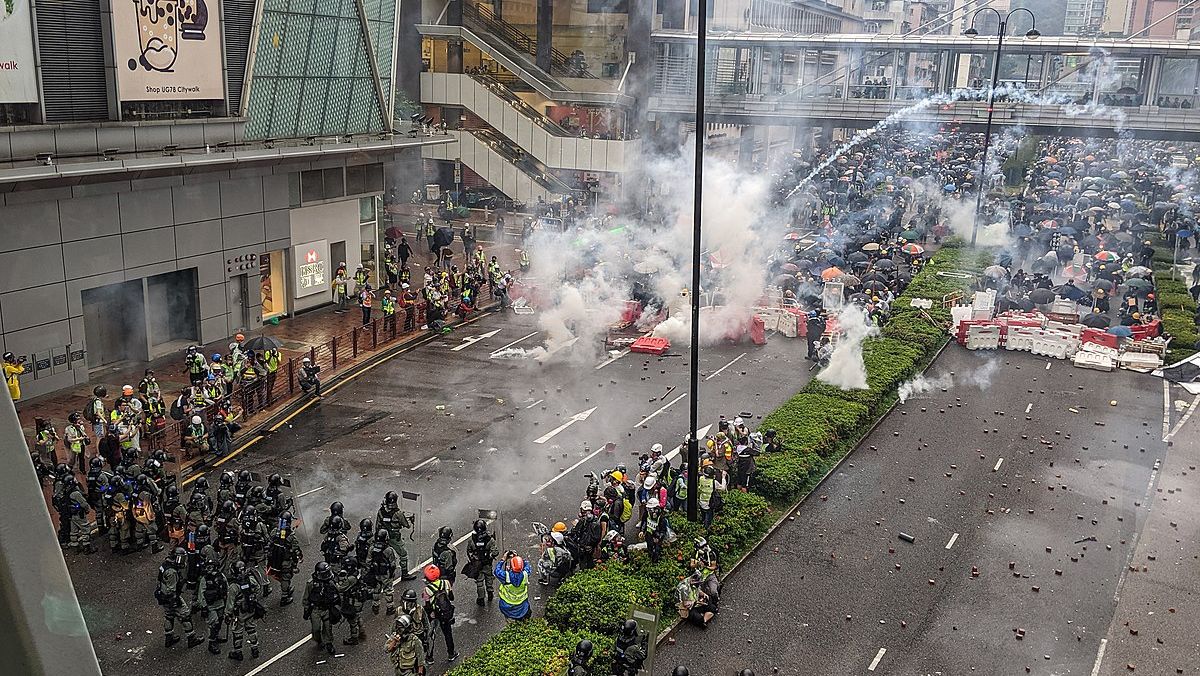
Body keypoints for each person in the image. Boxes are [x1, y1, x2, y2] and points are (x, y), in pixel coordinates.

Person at [156, 547, 202, 649]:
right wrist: (176, 603)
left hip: (162, 595)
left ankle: (169, 637)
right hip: (170, 598)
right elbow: (171, 590)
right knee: (185, 615)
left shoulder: (165, 564)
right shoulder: (172, 572)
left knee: (169, 616)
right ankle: (191, 638)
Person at [227, 560, 264, 661]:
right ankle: (255, 649)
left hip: (239, 613)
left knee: (237, 632)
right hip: (250, 609)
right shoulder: (250, 579)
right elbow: (258, 588)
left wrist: (228, 614)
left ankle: (238, 652)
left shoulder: (233, 586)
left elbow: (230, 603)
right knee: (251, 629)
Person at [422, 564, 458, 663]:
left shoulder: (427, 590)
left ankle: (429, 657)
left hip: (435, 615)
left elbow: (428, 606)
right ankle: (451, 654)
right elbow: (451, 597)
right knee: (448, 634)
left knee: (431, 636)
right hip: (446, 613)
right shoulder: (446, 583)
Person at [303, 561, 342, 655]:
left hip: (327, 609)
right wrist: (306, 609)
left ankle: (329, 643)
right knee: (316, 629)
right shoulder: (311, 583)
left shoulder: (331, 582)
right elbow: (306, 597)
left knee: (328, 628)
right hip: (315, 610)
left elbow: (338, 593)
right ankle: (319, 640)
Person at [268, 511, 303, 606]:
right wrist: (298, 558)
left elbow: (270, 542)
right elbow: (296, 549)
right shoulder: (291, 537)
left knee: (281, 576)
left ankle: (286, 589)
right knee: (285, 578)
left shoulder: (274, 531)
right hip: (285, 561)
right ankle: (284, 597)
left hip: (274, 560)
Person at [336, 556, 370, 646]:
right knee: (358, 617)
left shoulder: (351, 578)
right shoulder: (357, 572)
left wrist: (335, 583)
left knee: (352, 621)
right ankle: (362, 632)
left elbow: (340, 588)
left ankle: (354, 638)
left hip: (353, 601)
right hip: (359, 600)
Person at [366, 528, 400, 616]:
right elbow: (393, 564)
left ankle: (375, 607)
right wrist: (392, 573)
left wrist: (371, 571)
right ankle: (390, 607)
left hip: (375, 572)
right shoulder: (389, 550)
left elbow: (368, 562)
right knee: (388, 590)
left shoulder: (372, 548)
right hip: (386, 574)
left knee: (376, 589)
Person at [465, 519, 498, 606]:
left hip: (477, 565)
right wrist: (489, 557)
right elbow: (495, 552)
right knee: (489, 578)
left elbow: (469, 551)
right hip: (487, 564)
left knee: (479, 582)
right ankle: (490, 593)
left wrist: (474, 559)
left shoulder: (472, 540)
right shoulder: (490, 540)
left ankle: (481, 599)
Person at [494, 552, 529, 620]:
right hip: (522, 607)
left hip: (507, 607)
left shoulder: (505, 576)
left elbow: (497, 571)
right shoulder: (525, 574)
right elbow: (527, 565)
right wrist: (518, 558)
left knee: (510, 622)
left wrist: (503, 559)